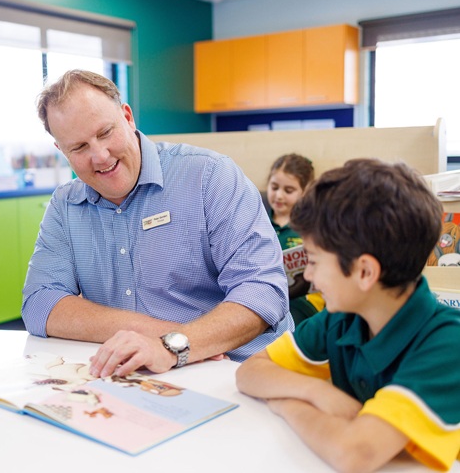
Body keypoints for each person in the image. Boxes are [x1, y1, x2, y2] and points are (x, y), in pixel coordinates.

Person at [22, 69, 292, 379]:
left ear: (127, 117)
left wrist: (175, 345)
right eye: (79, 148)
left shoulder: (210, 176)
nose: (100, 156)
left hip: (239, 370)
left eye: (105, 133)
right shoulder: (64, 206)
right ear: (62, 151)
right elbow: (40, 303)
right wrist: (168, 338)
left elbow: (263, 290)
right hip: (141, 376)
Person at [236, 158, 460, 472]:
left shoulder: (448, 342)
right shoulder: (343, 319)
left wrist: (288, 404)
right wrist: (315, 391)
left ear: (365, 272)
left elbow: (353, 454)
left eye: (313, 260)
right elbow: (249, 372)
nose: (309, 276)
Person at [265, 153, 325, 324]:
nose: (279, 196)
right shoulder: (258, 222)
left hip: (304, 302)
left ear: (305, 191)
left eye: (288, 190)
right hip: (268, 298)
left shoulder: (312, 225)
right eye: (274, 187)